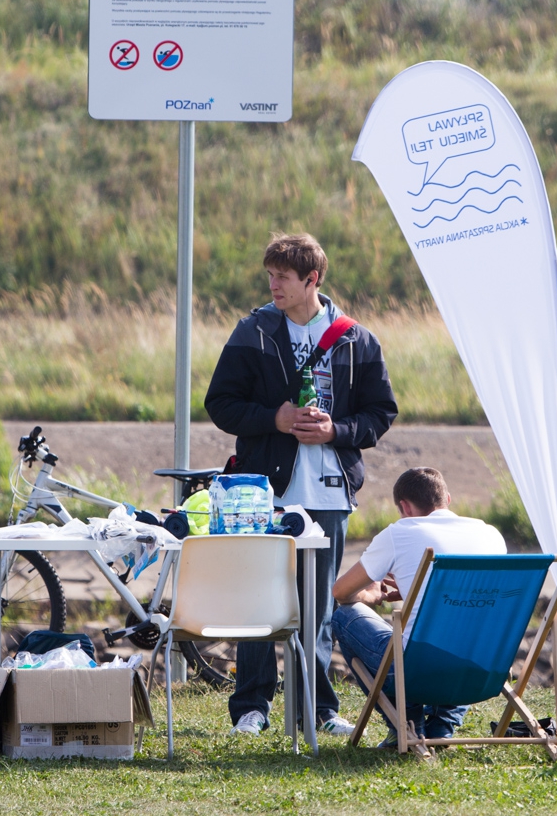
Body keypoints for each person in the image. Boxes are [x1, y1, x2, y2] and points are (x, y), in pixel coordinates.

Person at [204, 233, 398, 737]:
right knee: (258, 603)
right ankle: (251, 708)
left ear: (312, 279)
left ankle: (318, 708)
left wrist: (339, 430)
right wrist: (276, 418)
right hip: (263, 495)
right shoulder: (252, 332)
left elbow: (382, 413)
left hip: (331, 493)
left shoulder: (357, 339)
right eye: (270, 275)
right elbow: (220, 404)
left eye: (282, 277)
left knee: (319, 608)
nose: (273, 286)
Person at [331, 467, 507, 744]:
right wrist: (416, 590)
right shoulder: (490, 535)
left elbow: (341, 592)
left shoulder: (401, 532)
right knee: (463, 637)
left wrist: (371, 597)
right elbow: (471, 600)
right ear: (447, 499)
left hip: (418, 671)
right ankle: (441, 727)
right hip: (484, 668)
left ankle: (409, 725)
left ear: (404, 506)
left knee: (343, 616)